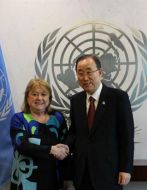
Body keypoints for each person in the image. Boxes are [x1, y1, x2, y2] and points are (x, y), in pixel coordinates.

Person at [65, 54, 134, 190]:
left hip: (109, 172)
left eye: (89, 72)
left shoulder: (118, 98)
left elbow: (126, 136)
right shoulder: (76, 100)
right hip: (82, 172)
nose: (85, 78)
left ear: (100, 73)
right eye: (80, 73)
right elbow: (74, 132)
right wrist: (65, 147)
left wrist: (126, 168)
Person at [10, 78, 70, 190]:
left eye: (43, 94)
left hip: (54, 177)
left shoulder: (58, 117)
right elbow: (22, 146)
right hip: (27, 179)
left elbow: (65, 143)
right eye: (34, 94)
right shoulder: (19, 119)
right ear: (27, 97)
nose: (39, 98)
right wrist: (50, 150)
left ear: (49, 98)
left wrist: (67, 175)